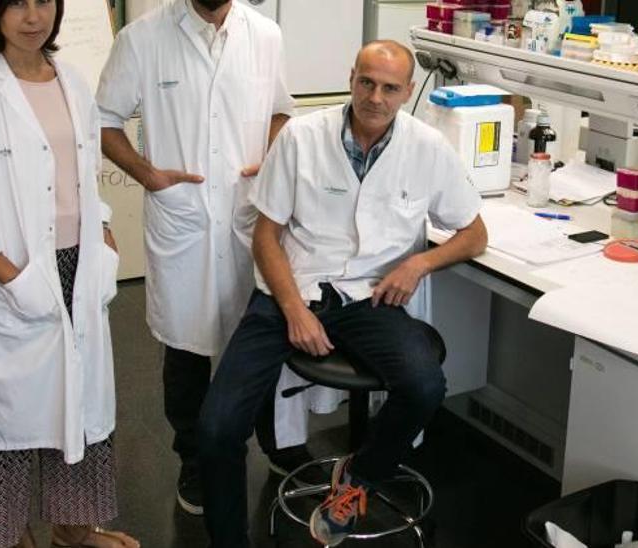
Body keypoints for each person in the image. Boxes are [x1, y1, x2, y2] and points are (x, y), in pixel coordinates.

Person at [197, 40, 489, 547]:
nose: (375, 97)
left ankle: (359, 478)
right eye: (366, 82)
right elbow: (266, 234)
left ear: (408, 91)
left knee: (425, 386)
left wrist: (419, 263)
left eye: (390, 88)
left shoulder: (427, 148)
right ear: (351, 76)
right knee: (217, 428)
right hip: (292, 288)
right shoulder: (302, 137)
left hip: (367, 298)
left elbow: (474, 234)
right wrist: (292, 309)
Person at [95, 0, 306, 515]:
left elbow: (282, 109)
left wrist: (270, 157)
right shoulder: (142, 39)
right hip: (183, 219)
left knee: (259, 335)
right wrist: (148, 175)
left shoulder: (265, 35)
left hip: (247, 214)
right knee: (186, 352)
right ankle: (192, 459)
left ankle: (274, 441)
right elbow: (102, 121)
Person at [0, 0, 137, 546]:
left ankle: (73, 532)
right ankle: (8, 537)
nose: (32, 16)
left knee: (80, 413)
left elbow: (84, 177)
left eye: (43, 1)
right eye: (16, 3)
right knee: (10, 424)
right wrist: (13, 277)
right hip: (14, 277)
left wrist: (104, 235)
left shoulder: (72, 81)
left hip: (78, 267)